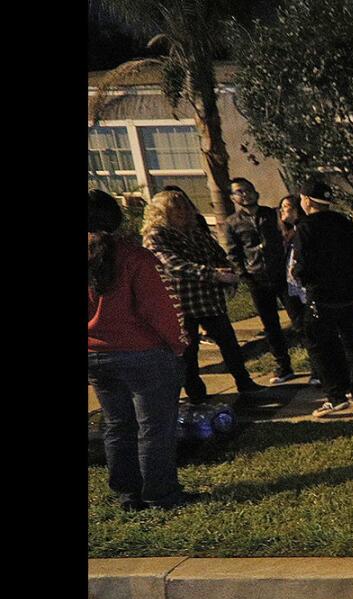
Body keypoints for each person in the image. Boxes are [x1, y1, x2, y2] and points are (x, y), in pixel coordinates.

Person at [89, 189, 189, 510]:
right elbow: (158, 309)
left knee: (117, 425)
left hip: (96, 356)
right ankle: (160, 494)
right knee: (154, 427)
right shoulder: (135, 257)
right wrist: (177, 344)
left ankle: (127, 493)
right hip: (143, 353)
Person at [142, 190, 263, 403]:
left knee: (229, 343)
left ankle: (244, 382)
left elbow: (218, 254)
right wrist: (213, 274)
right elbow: (172, 264)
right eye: (174, 208)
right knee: (188, 351)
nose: (180, 212)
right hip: (181, 302)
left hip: (209, 300)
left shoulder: (196, 231)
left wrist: (228, 272)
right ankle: (196, 394)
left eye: (183, 207)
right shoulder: (156, 235)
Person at [291, 179, 353, 417]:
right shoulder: (344, 222)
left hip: (323, 297)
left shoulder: (306, 227)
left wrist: (299, 276)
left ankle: (335, 396)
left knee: (319, 346)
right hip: (350, 295)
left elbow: (303, 263)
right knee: (352, 342)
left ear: (306, 200)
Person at [222, 177, 296, 384]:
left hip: (282, 274)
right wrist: (244, 275)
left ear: (255, 191)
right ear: (233, 197)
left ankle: (318, 368)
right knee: (271, 324)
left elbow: (289, 233)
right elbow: (233, 252)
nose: (244, 194)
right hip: (258, 277)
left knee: (298, 318)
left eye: (248, 190)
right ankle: (283, 365)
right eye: (239, 192)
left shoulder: (271, 214)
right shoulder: (232, 223)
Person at [279, 194, 322, 387]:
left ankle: (320, 371)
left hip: (308, 287)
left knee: (315, 329)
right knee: (302, 329)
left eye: (287, 207)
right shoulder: (285, 234)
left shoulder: (305, 230)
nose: (283, 211)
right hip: (292, 288)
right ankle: (317, 369)